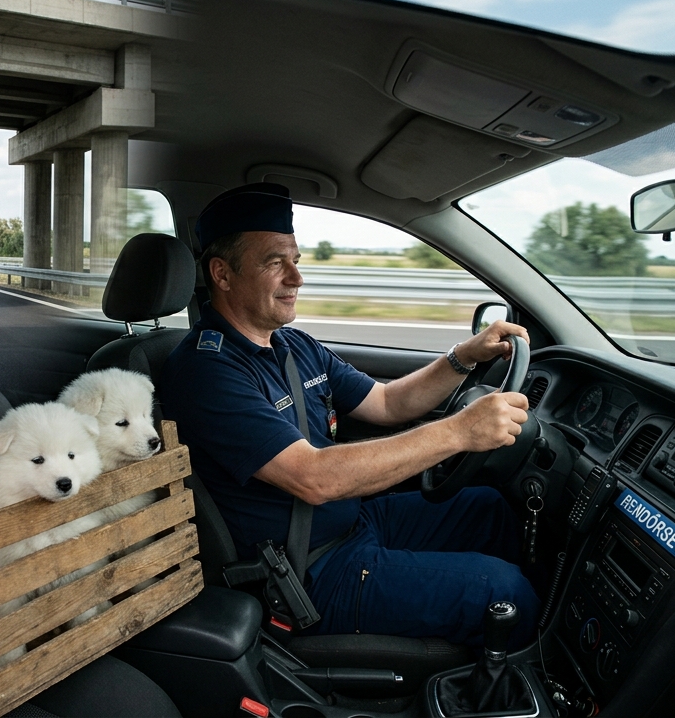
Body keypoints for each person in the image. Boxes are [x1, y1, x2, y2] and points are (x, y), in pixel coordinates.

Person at [159, 183, 538, 647]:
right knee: (507, 592)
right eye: (274, 262)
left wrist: (464, 357)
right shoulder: (205, 370)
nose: (296, 278)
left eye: (295, 260)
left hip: (351, 523)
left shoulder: (293, 346)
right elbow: (312, 477)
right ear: (222, 273)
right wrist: (460, 431)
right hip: (306, 569)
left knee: (488, 510)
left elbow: (386, 403)